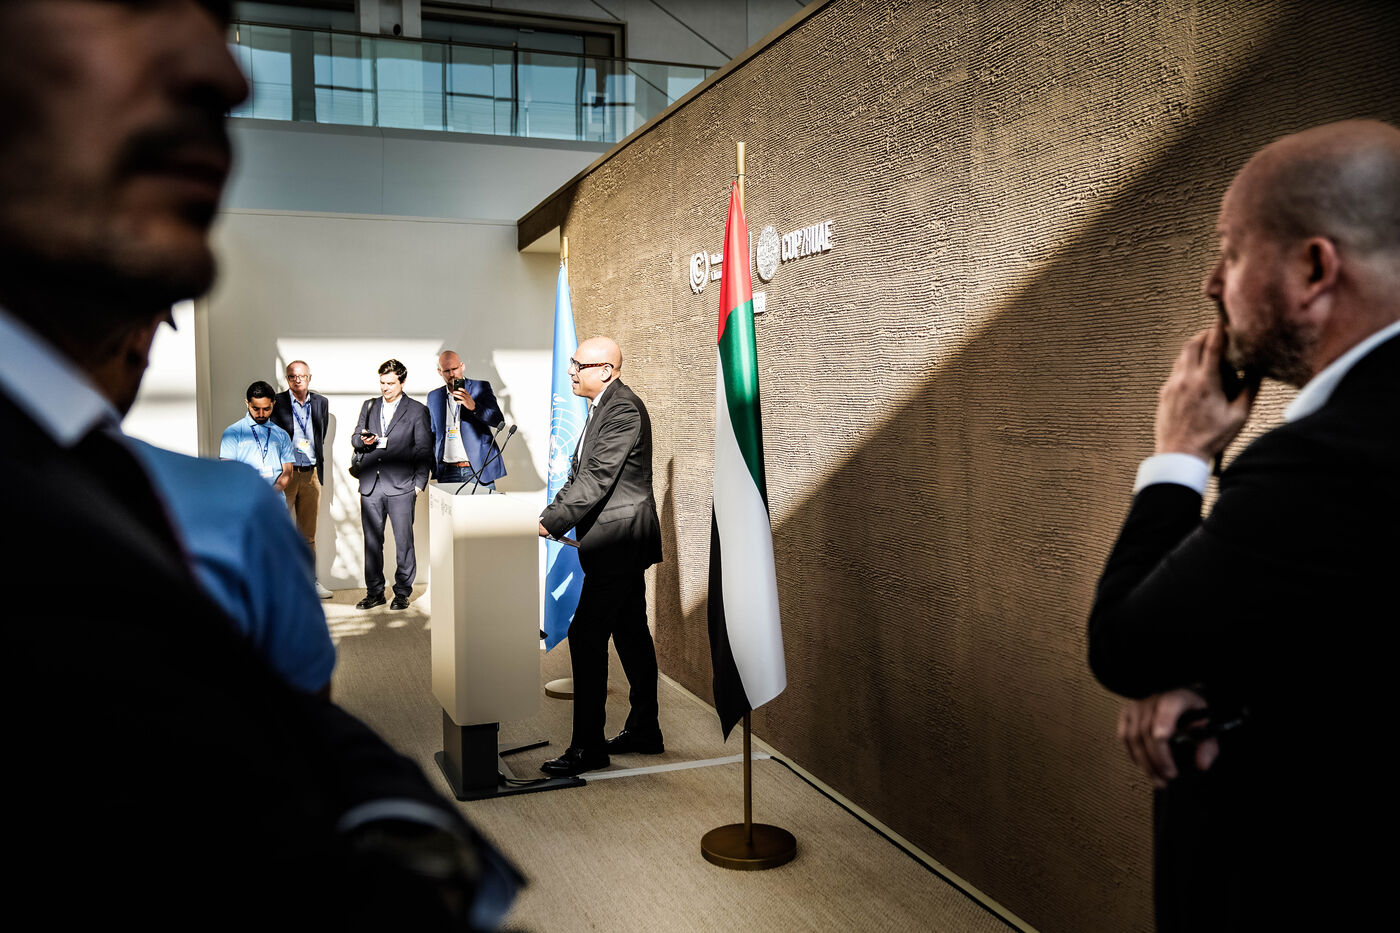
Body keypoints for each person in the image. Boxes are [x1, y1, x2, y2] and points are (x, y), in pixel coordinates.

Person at [0, 1, 517, 924]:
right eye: (134, 5)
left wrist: (403, 829)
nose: (225, 74)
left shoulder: (96, 471)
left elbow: (262, 718)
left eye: (222, 21)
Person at [1087, 120, 1400, 930]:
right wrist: (1211, 680)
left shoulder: (1325, 460)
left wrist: (1180, 456)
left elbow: (1125, 644)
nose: (1211, 283)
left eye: (1230, 252)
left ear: (1313, 269)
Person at [538, 336, 664, 776]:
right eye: (572, 363)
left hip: (619, 543)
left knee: (586, 634)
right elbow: (578, 477)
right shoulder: (600, 408)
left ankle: (588, 748)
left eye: (579, 365)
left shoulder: (623, 409)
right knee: (630, 633)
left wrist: (550, 521)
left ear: (607, 371)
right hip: (613, 542)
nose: (571, 371)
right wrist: (551, 514)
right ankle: (645, 729)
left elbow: (596, 479)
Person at [352, 358, 433, 611]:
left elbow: (424, 450)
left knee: (404, 542)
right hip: (371, 485)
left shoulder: (417, 411)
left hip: (402, 486)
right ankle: (374, 592)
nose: (385, 388)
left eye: (390, 383)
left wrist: (419, 484)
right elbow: (355, 438)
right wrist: (363, 441)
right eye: (382, 383)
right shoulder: (369, 405)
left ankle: (402, 592)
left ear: (402, 381)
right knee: (372, 542)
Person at [271, 358, 335, 597]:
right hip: (285, 474)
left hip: (311, 474)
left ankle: (310, 582)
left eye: (302, 376)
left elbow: (321, 434)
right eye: (292, 376)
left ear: (309, 378)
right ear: (287, 379)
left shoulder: (321, 403)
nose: (297, 380)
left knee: (308, 534)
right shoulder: (277, 402)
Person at [428, 349, 506, 489]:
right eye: (447, 371)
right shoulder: (434, 396)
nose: (452, 374)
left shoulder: (480, 387)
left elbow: (498, 420)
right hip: (448, 471)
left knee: (483, 504)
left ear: (462, 366)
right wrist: (434, 466)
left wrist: (474, 407)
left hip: (478, 470)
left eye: (455, 369)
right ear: (440, 372)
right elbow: (432, 433)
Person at [220, 379, 294, 490]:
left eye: (266, 409)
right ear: (247, 403)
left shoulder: (282, 434)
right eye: (255, 409)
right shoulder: (232, 433)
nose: (261, 414)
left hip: (274, 497)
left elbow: (288, 471)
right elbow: (228, 471)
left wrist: (273, 492)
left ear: (273, 403)